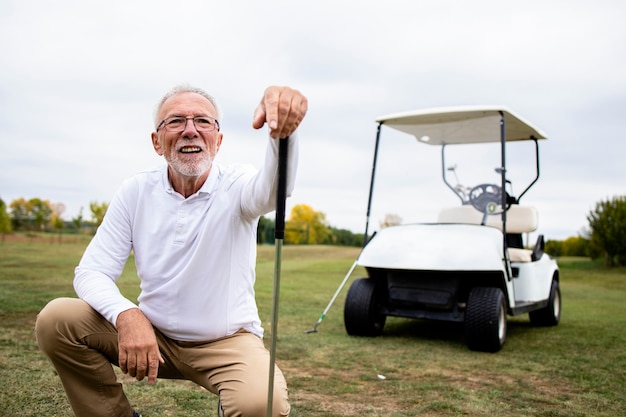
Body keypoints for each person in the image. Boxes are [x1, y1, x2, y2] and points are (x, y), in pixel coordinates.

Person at [35, 84, 308, 417]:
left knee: (262, 405)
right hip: (153, 334)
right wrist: (127, 314)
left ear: (218, 140)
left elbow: (275, 189)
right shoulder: (136, 190)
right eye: (175, 121)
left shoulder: (237, 184)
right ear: (156, 141)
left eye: (203, 122)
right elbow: (92, 271)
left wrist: (285, 134)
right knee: (58, 320)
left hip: (227, 342)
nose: (190, 131)